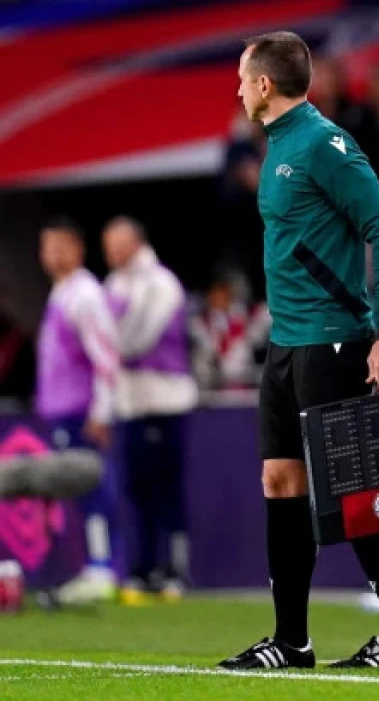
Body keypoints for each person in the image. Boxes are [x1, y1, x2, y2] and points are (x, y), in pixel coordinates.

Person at [219, 31, 379, 672]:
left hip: (335, 339)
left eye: (243, 78)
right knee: (281, 481)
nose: (238, 89)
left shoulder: (324, 144)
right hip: (286, 344)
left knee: (356, 492)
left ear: (265, 85)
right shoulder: (278, 145)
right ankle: (292, 642)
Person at [102, 217, 199, 603]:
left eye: (118, 242)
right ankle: (142, 568)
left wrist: (104, 350)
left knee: (166, 489)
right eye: (107, 243)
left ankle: (175, 570)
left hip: (165, 401)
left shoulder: (161, 283)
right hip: (129, 403)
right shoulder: (113, 284)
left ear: (137, 241)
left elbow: (136, 337)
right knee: (136, 489)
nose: (111, 250)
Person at [35, 217, 122, 603]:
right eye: (45, 246)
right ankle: (93, 564)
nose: (51, 255)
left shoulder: (85, 294)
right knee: (76, 491)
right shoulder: (62, 292)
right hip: (61, 410)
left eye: (59, 246)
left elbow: (106, 354)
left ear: (77, 249)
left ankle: (102, 567)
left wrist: (102, 411)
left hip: (81, 410)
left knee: (92, 489)